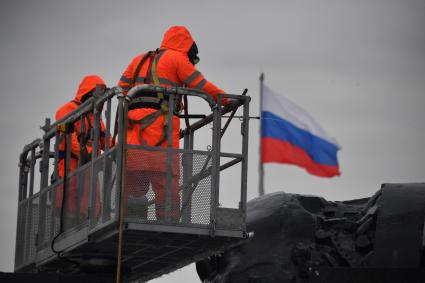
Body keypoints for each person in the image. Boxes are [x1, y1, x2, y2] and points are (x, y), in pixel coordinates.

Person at [118, 26, 227, 221]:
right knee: (166, 183)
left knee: (133, 183)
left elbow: (120, 91)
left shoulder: (138, 60)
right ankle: (168, 224)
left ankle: (128, 222)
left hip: (132, 132)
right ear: (185, 46)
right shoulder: (177, 59)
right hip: (159, 132)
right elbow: (201, 85)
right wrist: (226, 100)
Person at [55, 75, 109, 223]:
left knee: (91, 208)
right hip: (69, 168)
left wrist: (121, 148)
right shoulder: (68, 110)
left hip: (89, 168)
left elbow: (105, 140)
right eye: (100, 93)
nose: (102, 99)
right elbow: (69, 139)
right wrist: (88, 154)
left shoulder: (95, 116)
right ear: (89, 93)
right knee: (69, 209)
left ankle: (88, 225)